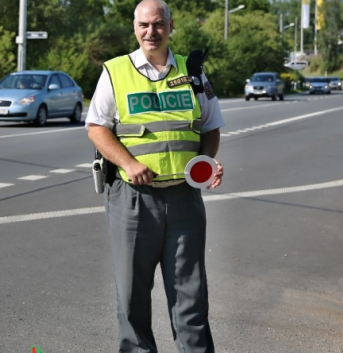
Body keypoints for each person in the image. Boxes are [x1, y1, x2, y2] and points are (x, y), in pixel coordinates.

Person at [85, 0, 224, 352]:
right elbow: (97, 128)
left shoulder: (193, 73)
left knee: (190, 296)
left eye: (158, 24)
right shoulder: (116, 71)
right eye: (144, 25)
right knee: (132, 296)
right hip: (133, 200)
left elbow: (210, 127)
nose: (151, 32)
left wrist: (205, 163)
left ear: (170, 26)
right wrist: (129, 164)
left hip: (184, 199)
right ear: (135, 28)